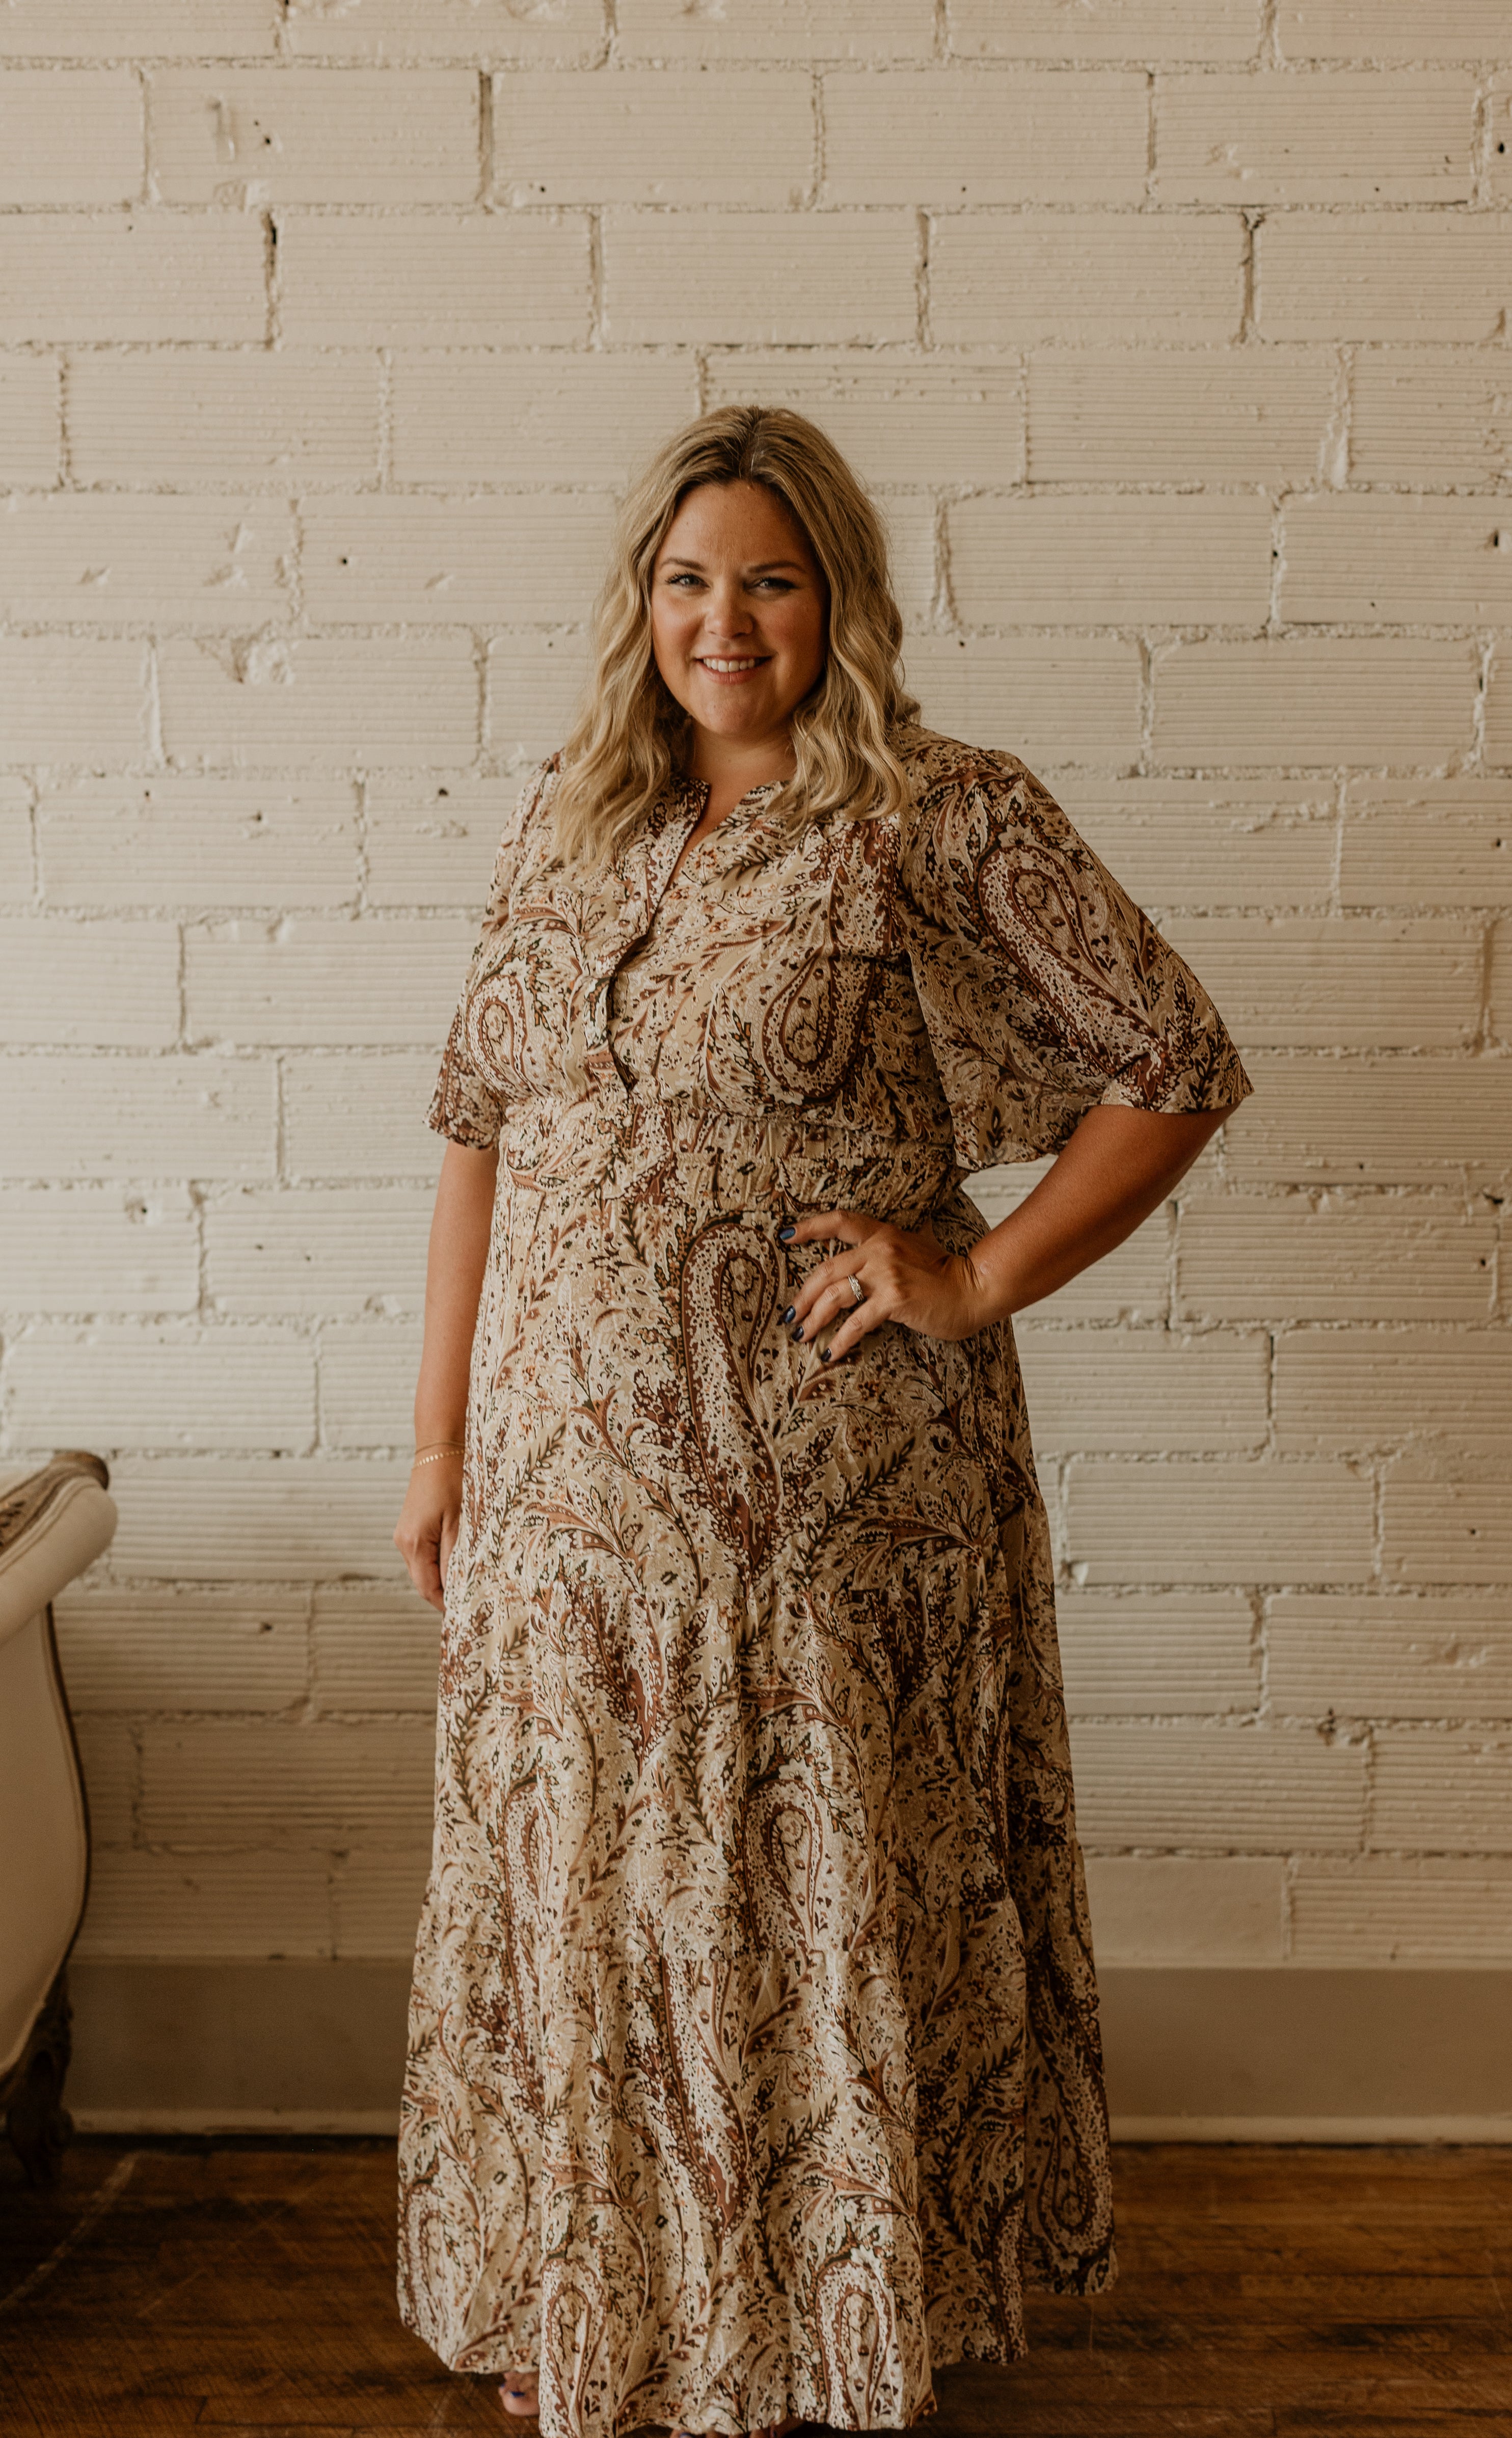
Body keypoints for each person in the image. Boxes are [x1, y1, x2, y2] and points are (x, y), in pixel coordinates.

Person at [392, 405, 1250, 2438]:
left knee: (808, 1884)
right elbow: (477, 1134)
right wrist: (438, 1449)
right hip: (564, 1504)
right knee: (582, 1887)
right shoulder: (571, 821)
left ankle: (815, 2327)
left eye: (769, 579)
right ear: (642, 602)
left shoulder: (940, 816)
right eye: (689, 579)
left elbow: (1174, 1060)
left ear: (837, 596)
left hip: (827, 1507)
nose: (726, 620)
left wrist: (974, 1276)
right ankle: (599, 2294)